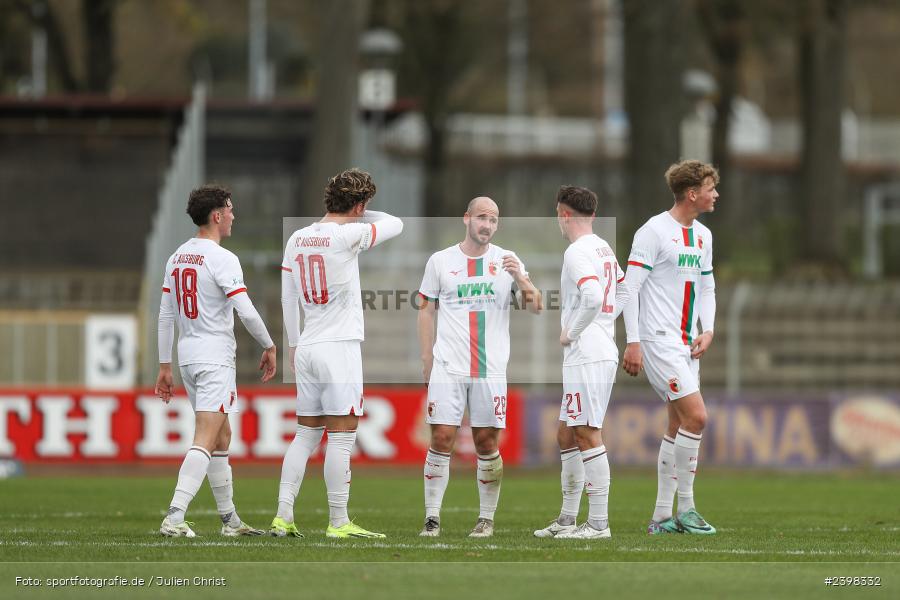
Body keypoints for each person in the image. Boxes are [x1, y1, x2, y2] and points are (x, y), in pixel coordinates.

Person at [272, 168, 403, 539]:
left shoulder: (297, 238)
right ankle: (338, 521)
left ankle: (283, 516)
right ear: (360, 205)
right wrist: (361, 211)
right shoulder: (350, 235)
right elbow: (395, 224)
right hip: (339, 347)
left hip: (308, 345)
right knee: (342, 436)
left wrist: (294, 344)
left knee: (305, 435)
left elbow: (287, 297)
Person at [156, 184, 277, 538]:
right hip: (213, 357)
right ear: (216, 216)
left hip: (188, 357)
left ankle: (230, 521)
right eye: (230, 209)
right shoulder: (223, 259)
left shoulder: (177, 256)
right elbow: (246, 310)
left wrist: (165, 366)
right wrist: (269, 344)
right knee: (207, 436)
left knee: (222, 436)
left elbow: (165, 315)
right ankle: (174, 517)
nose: (233, 215)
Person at [417, 196, 542, 538]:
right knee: (442, 437)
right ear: (467, 218)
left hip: (490, 369)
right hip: (448, 366)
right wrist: (427, 359)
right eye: (482, 217)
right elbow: (426, 310)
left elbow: (536, 307)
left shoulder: (507, 260)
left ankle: (486, 518)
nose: (488, 225)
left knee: (486, 442)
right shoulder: (440, 261)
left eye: (494, 219)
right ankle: (432, 518)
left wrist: (522, 280)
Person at [615, 159, 719, 535]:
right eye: (711, 188)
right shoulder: (653, 231)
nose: (716, 194)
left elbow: (707, 287)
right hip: (659, 341)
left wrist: (708, 330)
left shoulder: (704, 236)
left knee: (678, 424)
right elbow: (629, 288)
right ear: (693, 194)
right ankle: (687, 509)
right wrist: (633, 342)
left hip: (689, 344)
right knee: (697, 417)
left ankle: (661, 518)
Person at [532, 186, 623, 540]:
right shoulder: (603, 247)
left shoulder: (576, 252)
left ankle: (599, 524)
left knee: (586, 431)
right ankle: (568, 518)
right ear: (593, 215)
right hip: (595, 350)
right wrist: (611, 327)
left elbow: (592, 296)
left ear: (563, 214)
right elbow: (625, 290)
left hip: (588, 352)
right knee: (566, 432)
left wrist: (574, 330)